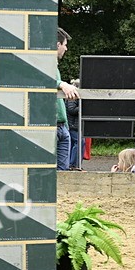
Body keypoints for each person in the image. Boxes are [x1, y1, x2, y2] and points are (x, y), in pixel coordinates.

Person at [56, 28, 79, 170]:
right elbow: (38, 79)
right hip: (50, 125)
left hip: (62, 126)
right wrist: (61, 84)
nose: (66, 48)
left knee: (63, 173)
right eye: (65, 44)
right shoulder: (41, 63)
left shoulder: (55, 66)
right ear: (57, 44)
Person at [66, 78, 83, 170]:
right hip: (72, 125)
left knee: (76, 143)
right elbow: (71, 109)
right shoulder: (72, 96)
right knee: (79, 142)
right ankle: (73, 165)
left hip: (74, 124)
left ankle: (74, 164)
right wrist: (83, 107)